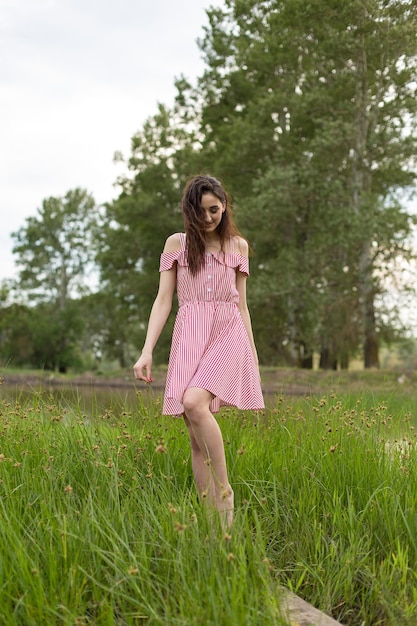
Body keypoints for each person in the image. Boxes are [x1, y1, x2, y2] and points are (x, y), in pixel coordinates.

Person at [133, 175, 264, 527]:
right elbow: (163, 300)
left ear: (224, 206)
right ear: (188, 211)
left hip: (227, 333)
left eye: (214, 210)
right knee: (194, 434)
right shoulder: (176, 243)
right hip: (189, 334)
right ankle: (213, 526)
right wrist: (147, 351)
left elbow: (243, 307)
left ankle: (225, 494)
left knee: (193, 402)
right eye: (200, 211)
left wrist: (251, 354)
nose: (207, 218)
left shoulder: (238, 247)